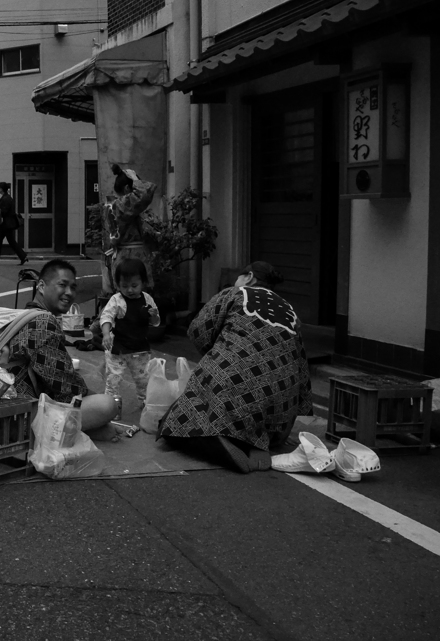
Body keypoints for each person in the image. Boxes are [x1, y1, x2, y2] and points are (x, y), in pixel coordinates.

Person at [158, 261, 313, 474]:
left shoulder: (235, 293)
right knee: (250, 416)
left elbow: (198, 331)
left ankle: (219, 445)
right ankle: (258, 442)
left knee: (173, 424)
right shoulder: (289, 310)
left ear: (248, 277)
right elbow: (301, 366)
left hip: (232, 390)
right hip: (281, 411)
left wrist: (219, 354)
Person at [5, 259, 118, 431]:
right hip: (22, 416)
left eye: (73, 287)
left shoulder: (25, 315)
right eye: (62, 285)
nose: (69, 292)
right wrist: (92, 398)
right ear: (41, 286)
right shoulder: (43, 321)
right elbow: (63, 383)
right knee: (107, 404)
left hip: (11, 405)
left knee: (96, 415)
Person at [95, 258, 161, 407]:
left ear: (143, 283)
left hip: (139, 347)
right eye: (124, 286)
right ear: (118, 285)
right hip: (117, 347)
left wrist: (154, 315)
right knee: (114, 378)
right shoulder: (116, 300)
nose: (130, 290)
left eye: (134, 285)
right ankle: (110, 405)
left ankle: (145, 404)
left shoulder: (147, 299)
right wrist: (106, 334)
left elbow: (155, 322)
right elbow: (106, 316)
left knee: (143, 378)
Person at [104, 163, 157, 294]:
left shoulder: (115, 205)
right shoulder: (120, 205)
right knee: (133, 297)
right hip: (130, 258)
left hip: (127, 256)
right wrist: (135, 179)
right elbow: (144, 193)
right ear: (128, 188)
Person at [0, 182, 27, 265]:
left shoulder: (5, 199)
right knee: (7, 241)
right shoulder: (8, 198)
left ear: (2, 189)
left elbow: (4, 212)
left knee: (1, 241)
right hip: (8, 224)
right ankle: (22, 256)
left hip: (6, 224)